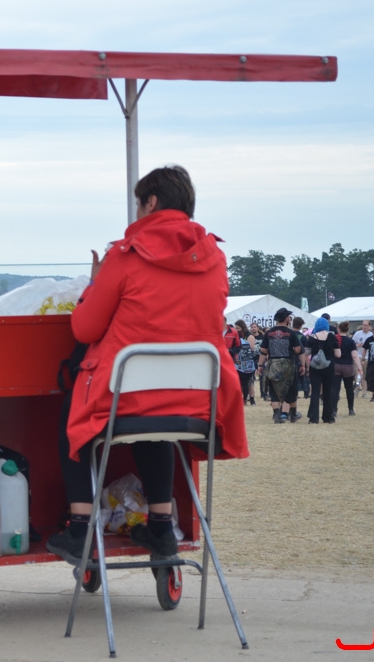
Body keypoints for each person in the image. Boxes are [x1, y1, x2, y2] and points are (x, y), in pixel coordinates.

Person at [46, 166, 248, 563]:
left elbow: (85, 328)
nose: (136, 213)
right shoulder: (215, 258)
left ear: (151, 202)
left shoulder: (125, 256)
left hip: (124, 398)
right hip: (197, 403)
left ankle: (80, 529)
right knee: (157, 422)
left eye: (139, 205)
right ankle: (161, 527)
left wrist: (94, 283)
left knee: (75, 415)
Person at [258, 309, 304, 423]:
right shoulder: (291, 333)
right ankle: (293, 414)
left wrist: (260, 365)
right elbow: (298, 349)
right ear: (286, 318)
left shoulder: (269, 333)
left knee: (274, 390)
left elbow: (263, 350)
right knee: (291, 389)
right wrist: (302, 365)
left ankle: (277, 415)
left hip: (273, 364)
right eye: (289, 317)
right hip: (288, 364)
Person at [305, 317, 339, 424]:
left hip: (315, 366)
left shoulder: (312, 337)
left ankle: (314, 417)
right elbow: (338, 354)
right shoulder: (332, 337)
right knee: (327, 391)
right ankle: (328, 417)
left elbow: (306, 353)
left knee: (315, 391)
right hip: (329, 366)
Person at [331, 321, 362, 417]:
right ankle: (351, 409)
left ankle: (334, 410)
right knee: (349, 389)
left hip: (336, 365)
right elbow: (355, 356)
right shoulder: (350, 341)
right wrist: (360, 368)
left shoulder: (334, 339)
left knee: (335, 389)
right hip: (348, 367)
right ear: (347, 330)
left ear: (338, 329)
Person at [233, 319, 257, 405]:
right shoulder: (235, 335)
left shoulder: (249, 336)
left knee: (248, 382)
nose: (236, 330)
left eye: (238, 328)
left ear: (242, 327)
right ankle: (240, 399)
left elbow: (251, 348)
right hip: (238, 363)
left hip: (247, 363)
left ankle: (250, 399)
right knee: (239, 382)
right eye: (235, 328)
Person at [363, 326, 374, 401]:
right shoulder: (369, 339)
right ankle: (373, 395)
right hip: (371, 362)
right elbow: (364, 349)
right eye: (373, 330)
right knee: (371, 379)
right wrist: (363, 359)